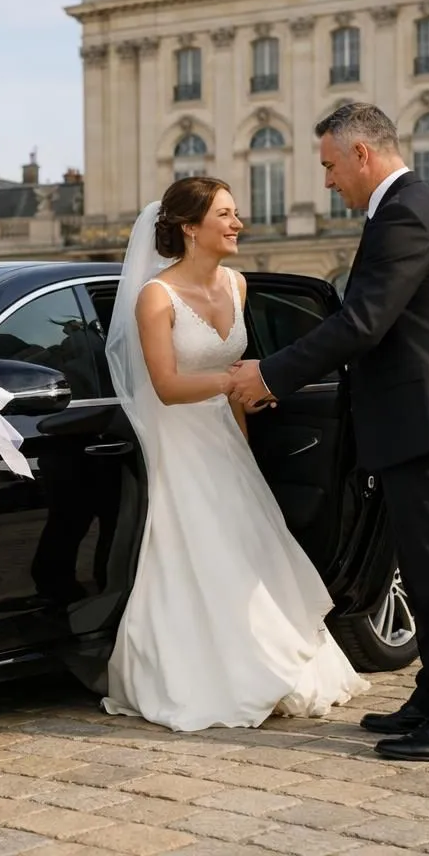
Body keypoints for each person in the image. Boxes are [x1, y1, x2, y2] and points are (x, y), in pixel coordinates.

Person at [230, 102, 429, 762]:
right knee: (423, 571)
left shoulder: (408, 211)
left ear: (362, 155)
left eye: (330, 165)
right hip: (419, 418)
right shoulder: (403, 209)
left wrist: (270, 375)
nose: (328, 181)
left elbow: (361, 323)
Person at [101, 176, 369, 732]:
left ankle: (277, 660)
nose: (237, 222)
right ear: (190, 228)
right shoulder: (156, 296)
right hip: (179, 446)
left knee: (252, 554)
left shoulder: (238, 285)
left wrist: (245, 449)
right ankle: (220, 672)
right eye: (224, 214)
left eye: (235, 212)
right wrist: (233, 381)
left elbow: (241, 389)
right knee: (202, 558)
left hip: (227, 441)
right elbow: (168, 387)